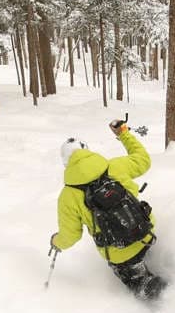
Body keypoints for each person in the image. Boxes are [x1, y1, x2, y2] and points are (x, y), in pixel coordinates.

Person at [50, 119, 168, 301]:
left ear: (66, 163)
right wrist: (123, 133)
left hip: (119, 252)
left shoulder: (68, 196)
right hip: (145, 230)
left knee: (146, 289)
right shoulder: (114, 166)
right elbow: (143, 160)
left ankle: (166, 305)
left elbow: (71, 236)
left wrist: (56, 242)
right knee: (157, 258)